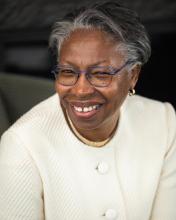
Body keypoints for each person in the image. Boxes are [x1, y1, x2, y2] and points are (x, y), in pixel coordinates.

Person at [0, 1, 176, 219]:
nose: (81, 89)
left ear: (133, 75)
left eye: (101, 74)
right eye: (67, 71)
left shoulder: (165, 123)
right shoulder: (22, 145)